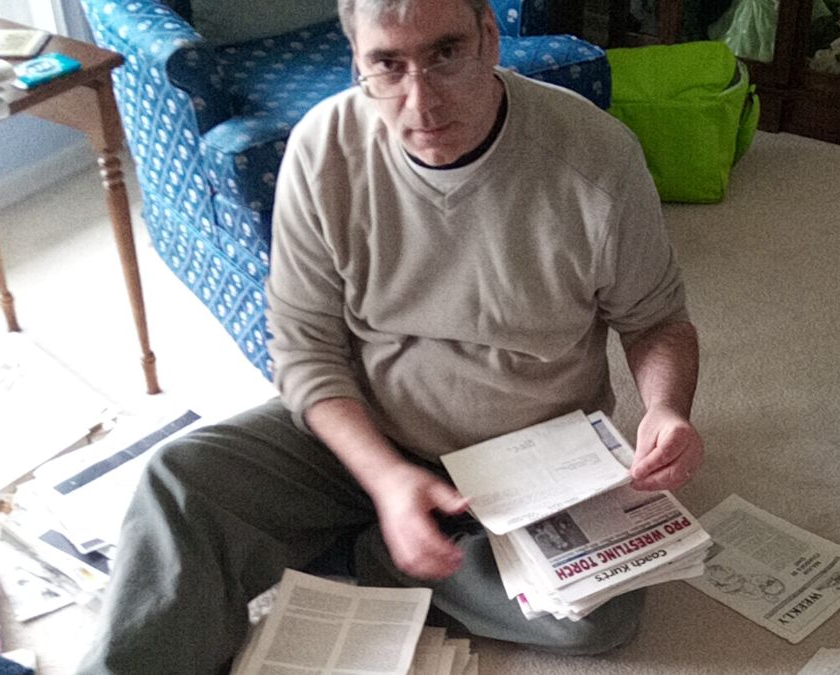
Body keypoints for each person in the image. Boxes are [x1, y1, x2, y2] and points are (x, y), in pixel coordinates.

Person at [79, 0, 702, 671]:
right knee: (181, 480)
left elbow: (656, 321)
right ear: (358, 63)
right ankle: (396, 531)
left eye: (445, 53)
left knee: (597, 618)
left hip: (530, 456)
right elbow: (304, 350)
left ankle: (369, 548)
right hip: (367, 428)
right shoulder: (322, 150)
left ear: (489, 38)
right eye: (388, 65)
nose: (421, 100)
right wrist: (384, 478)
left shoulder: (596, 157)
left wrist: (666, 409)